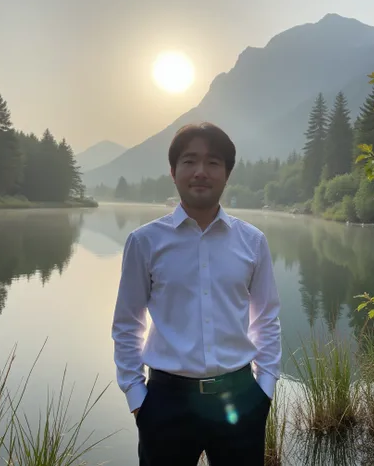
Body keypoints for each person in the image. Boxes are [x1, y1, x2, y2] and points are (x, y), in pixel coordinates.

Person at [112, 122, 282, 466]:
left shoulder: (252, 242)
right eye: (189, 161)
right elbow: (127, 323)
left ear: (227, 174)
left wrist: (265, 389)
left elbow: (266, 318)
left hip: (240, 398)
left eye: (213, 162)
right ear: (173, 172)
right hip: (165, 402)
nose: (201, 172)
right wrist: (136, 395)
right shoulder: (145, 242)